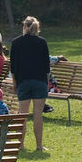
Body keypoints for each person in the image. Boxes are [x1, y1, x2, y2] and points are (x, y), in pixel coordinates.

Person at [9, 16, 50, 151]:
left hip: (23, 81)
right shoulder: (42, 42)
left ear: (24, 27)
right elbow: (46, 66)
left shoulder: (16, 43)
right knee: (38, 114)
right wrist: (47, 83)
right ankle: (39, 145)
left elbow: (13, 67)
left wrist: (15, 83)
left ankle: (20, 145)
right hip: (40, 81)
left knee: (22, 114)